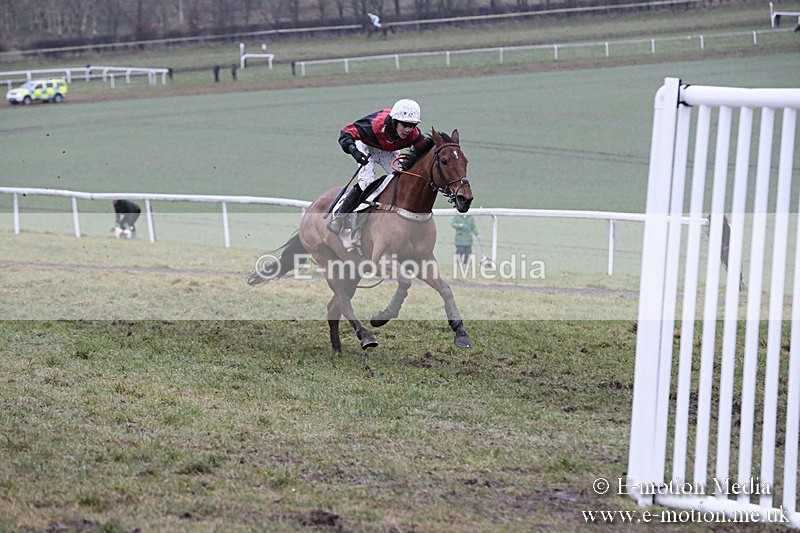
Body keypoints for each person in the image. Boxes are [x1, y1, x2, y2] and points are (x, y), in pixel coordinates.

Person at [328, 98, 432, 234]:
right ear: (394, 121)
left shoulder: (414, 134)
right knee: (366, 182)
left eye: (412, 125)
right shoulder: (374, 124)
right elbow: (345, 133)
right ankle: (339, 218)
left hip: (386, 150)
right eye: (405, 124)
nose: (408, 130)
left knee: (402, 177)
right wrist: (355, 153)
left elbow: (427, 150)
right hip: (365, 146)